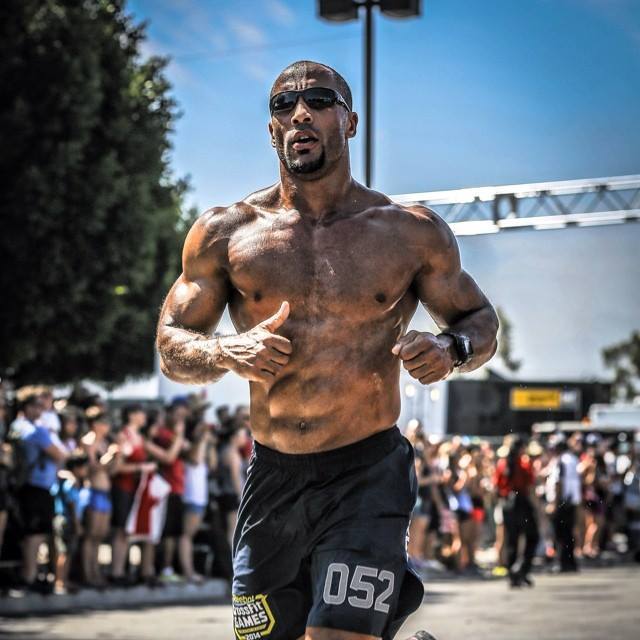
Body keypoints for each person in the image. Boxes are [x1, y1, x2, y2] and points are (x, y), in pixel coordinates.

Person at [156, 60, 498, 640]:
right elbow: (170, 344)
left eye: (319, 99)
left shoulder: (408, 232)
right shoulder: (226, 233)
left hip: (366, 472)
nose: (299, 113)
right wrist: (226, 352)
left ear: (351, 120)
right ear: (271, 131)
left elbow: (479, 319)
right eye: (283, 105)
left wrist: (451, 346)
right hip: (273, 478)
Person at [15, 393, 68, 591]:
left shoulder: (17, 427)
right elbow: (60, 453)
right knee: (35, 534)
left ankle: (30, 575)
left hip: (31, 486)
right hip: (36, 487)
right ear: (26, 407)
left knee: (35, 533)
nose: (40, 409)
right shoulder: (36, 430)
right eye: (35, 405)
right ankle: (29, 576)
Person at [110, 404, 156, 585]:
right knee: (121, 530)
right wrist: (140, 467)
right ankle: (116, 572)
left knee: (129, 531)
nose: (144, 416)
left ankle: (125, 570)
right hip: (123, 488)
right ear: (131, 415)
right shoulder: (124, 436)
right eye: (140, 413)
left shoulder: (140, 437)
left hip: (136, 490)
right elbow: (117, 468)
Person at [146, 399, 187, 583]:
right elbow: (169, 457)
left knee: (172, 533)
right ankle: (157, 568)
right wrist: (179, 436)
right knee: (162, 533)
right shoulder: (162, 435)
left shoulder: (171, 434)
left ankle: (167, 568)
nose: (180, 418)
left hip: (177, 489)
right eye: (177, 414)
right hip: (163, 489)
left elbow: (191, 451)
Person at [494, 437, 539, 588]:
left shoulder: (502, 463)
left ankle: (513, 573)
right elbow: (530, 487)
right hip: (521, 503)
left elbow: (497, 486)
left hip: (507, 504)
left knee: (512, 540)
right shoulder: (524, 463)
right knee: (532, 537)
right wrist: (537, 508)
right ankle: (523, 569)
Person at [81, 410, 115, 587]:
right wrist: (110, 455)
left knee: (100, 535)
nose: (107, 426)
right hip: (93, 490)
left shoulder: (104, 442)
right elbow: (93, 468)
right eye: (104, 422)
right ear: (94, 424)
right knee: (91, 534)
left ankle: (96, 572)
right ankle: (88, 573)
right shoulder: (89, 441)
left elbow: (110, 470)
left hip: (104, 491)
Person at [546, 436, 580, 573]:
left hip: (562, 502)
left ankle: (563, 563)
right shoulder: (573, 459)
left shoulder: (560, 461)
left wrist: (554, 503)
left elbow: (558, 482)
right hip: (572, 501)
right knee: (568, 533)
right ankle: (570, 562)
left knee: (560, 535)